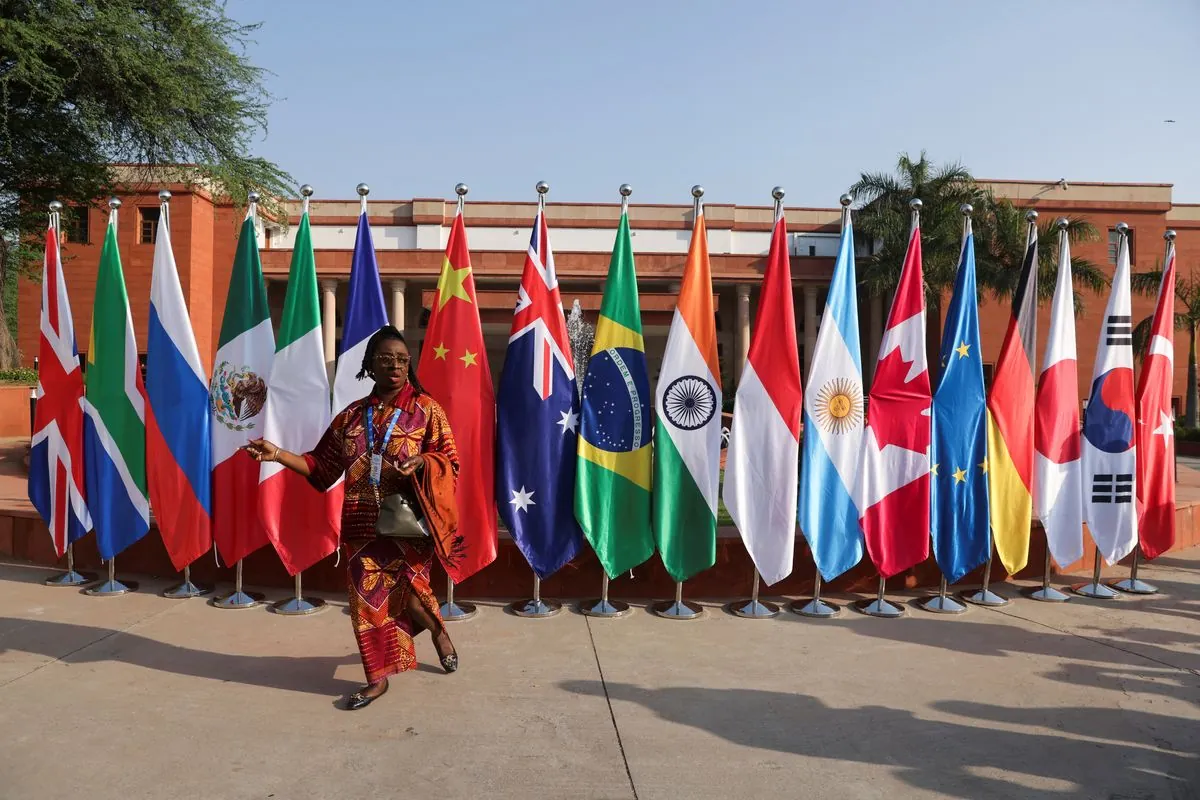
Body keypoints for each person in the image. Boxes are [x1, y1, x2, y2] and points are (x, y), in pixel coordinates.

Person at [245, 325, 461, 710]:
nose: (394, 366)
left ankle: (438, 632)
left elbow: (451, 462)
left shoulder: (427, 411)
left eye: (401, 360)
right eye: (385, 359)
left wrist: (424, 461)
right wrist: (277, 453)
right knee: (368, 602)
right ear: (370, 366)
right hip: (361, 524)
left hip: (410, 525)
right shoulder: (351, 417)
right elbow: (320, 465)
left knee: (412, 598)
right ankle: (376, 679)